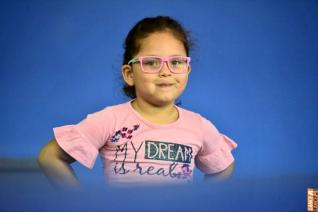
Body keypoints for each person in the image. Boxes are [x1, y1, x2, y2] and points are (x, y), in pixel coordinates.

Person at [37, 16, 237, 188]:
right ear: (129, 74)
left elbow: (223, 167)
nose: (166, 71)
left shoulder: (199, 126)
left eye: (176, 62)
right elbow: (50, 157)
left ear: (187, 70)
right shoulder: (110, 120)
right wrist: (82, 204)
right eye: (151, 62)